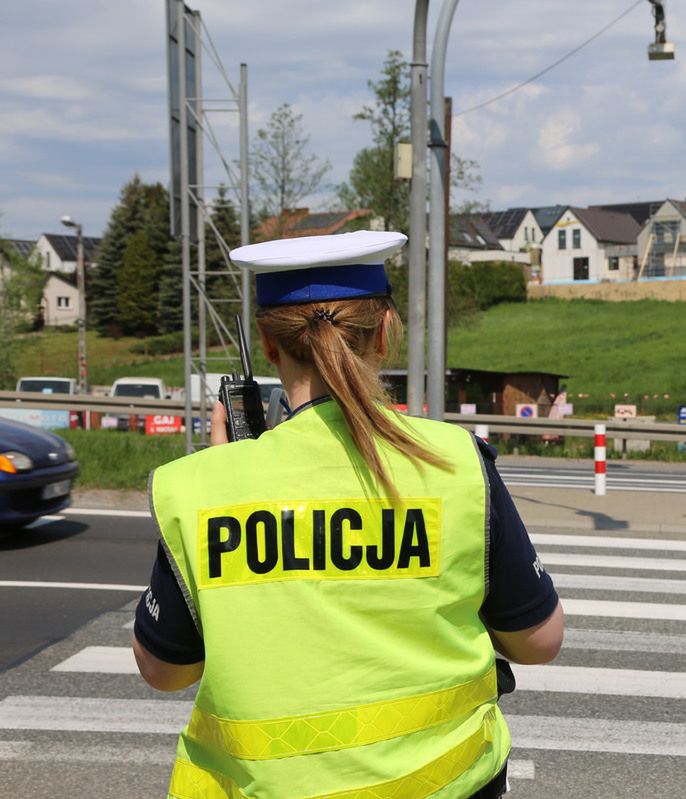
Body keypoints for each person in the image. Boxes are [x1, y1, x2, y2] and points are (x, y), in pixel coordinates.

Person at [131, 230, 563, 799]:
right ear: (385, 333)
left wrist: (226, 472)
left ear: (266, 342)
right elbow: (539, 641)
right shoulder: (455, 461)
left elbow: (165, 671)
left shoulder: (200, 487)